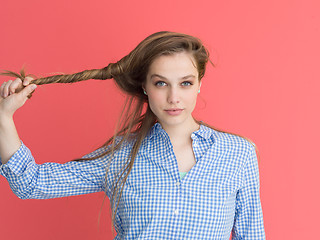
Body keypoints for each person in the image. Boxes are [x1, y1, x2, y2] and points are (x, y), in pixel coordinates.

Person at [0, 31, 266, 239]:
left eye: (185, 83)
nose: (174, 98)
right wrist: (3, 118)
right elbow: (31, 183)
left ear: (199, 84)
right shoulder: (121, 155)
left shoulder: (238, 153)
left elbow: (251, 235)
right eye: (161, 83)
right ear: (145, 86)